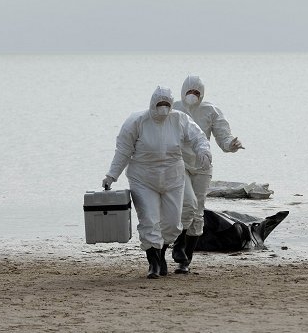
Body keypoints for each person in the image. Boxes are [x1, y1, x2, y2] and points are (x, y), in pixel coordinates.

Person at [102, 86, 212, 279]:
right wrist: (111, 176)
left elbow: (198, 137)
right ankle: (153, 263)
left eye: (167, 104)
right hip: (143, 179)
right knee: (149, 220)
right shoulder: (136, 121)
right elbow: (123, 151)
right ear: (153, 104)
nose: (163, 108)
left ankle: (161, 251)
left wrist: (203, 151)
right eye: (160, 104)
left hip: (173, 177)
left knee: (172, 223)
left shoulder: (179, 119)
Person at [172, 75, 244, 274]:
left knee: (198, 210)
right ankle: (178, 244)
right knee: (187, 204)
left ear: (202, 94)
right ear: (183, 92)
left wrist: (231, 145)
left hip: (203, 166)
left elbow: (224, 136)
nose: (193, 96)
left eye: (197, 93)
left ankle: (186, 259)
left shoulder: (211, 111)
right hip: (180, 164)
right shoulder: (173, 109)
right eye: (190, 92)